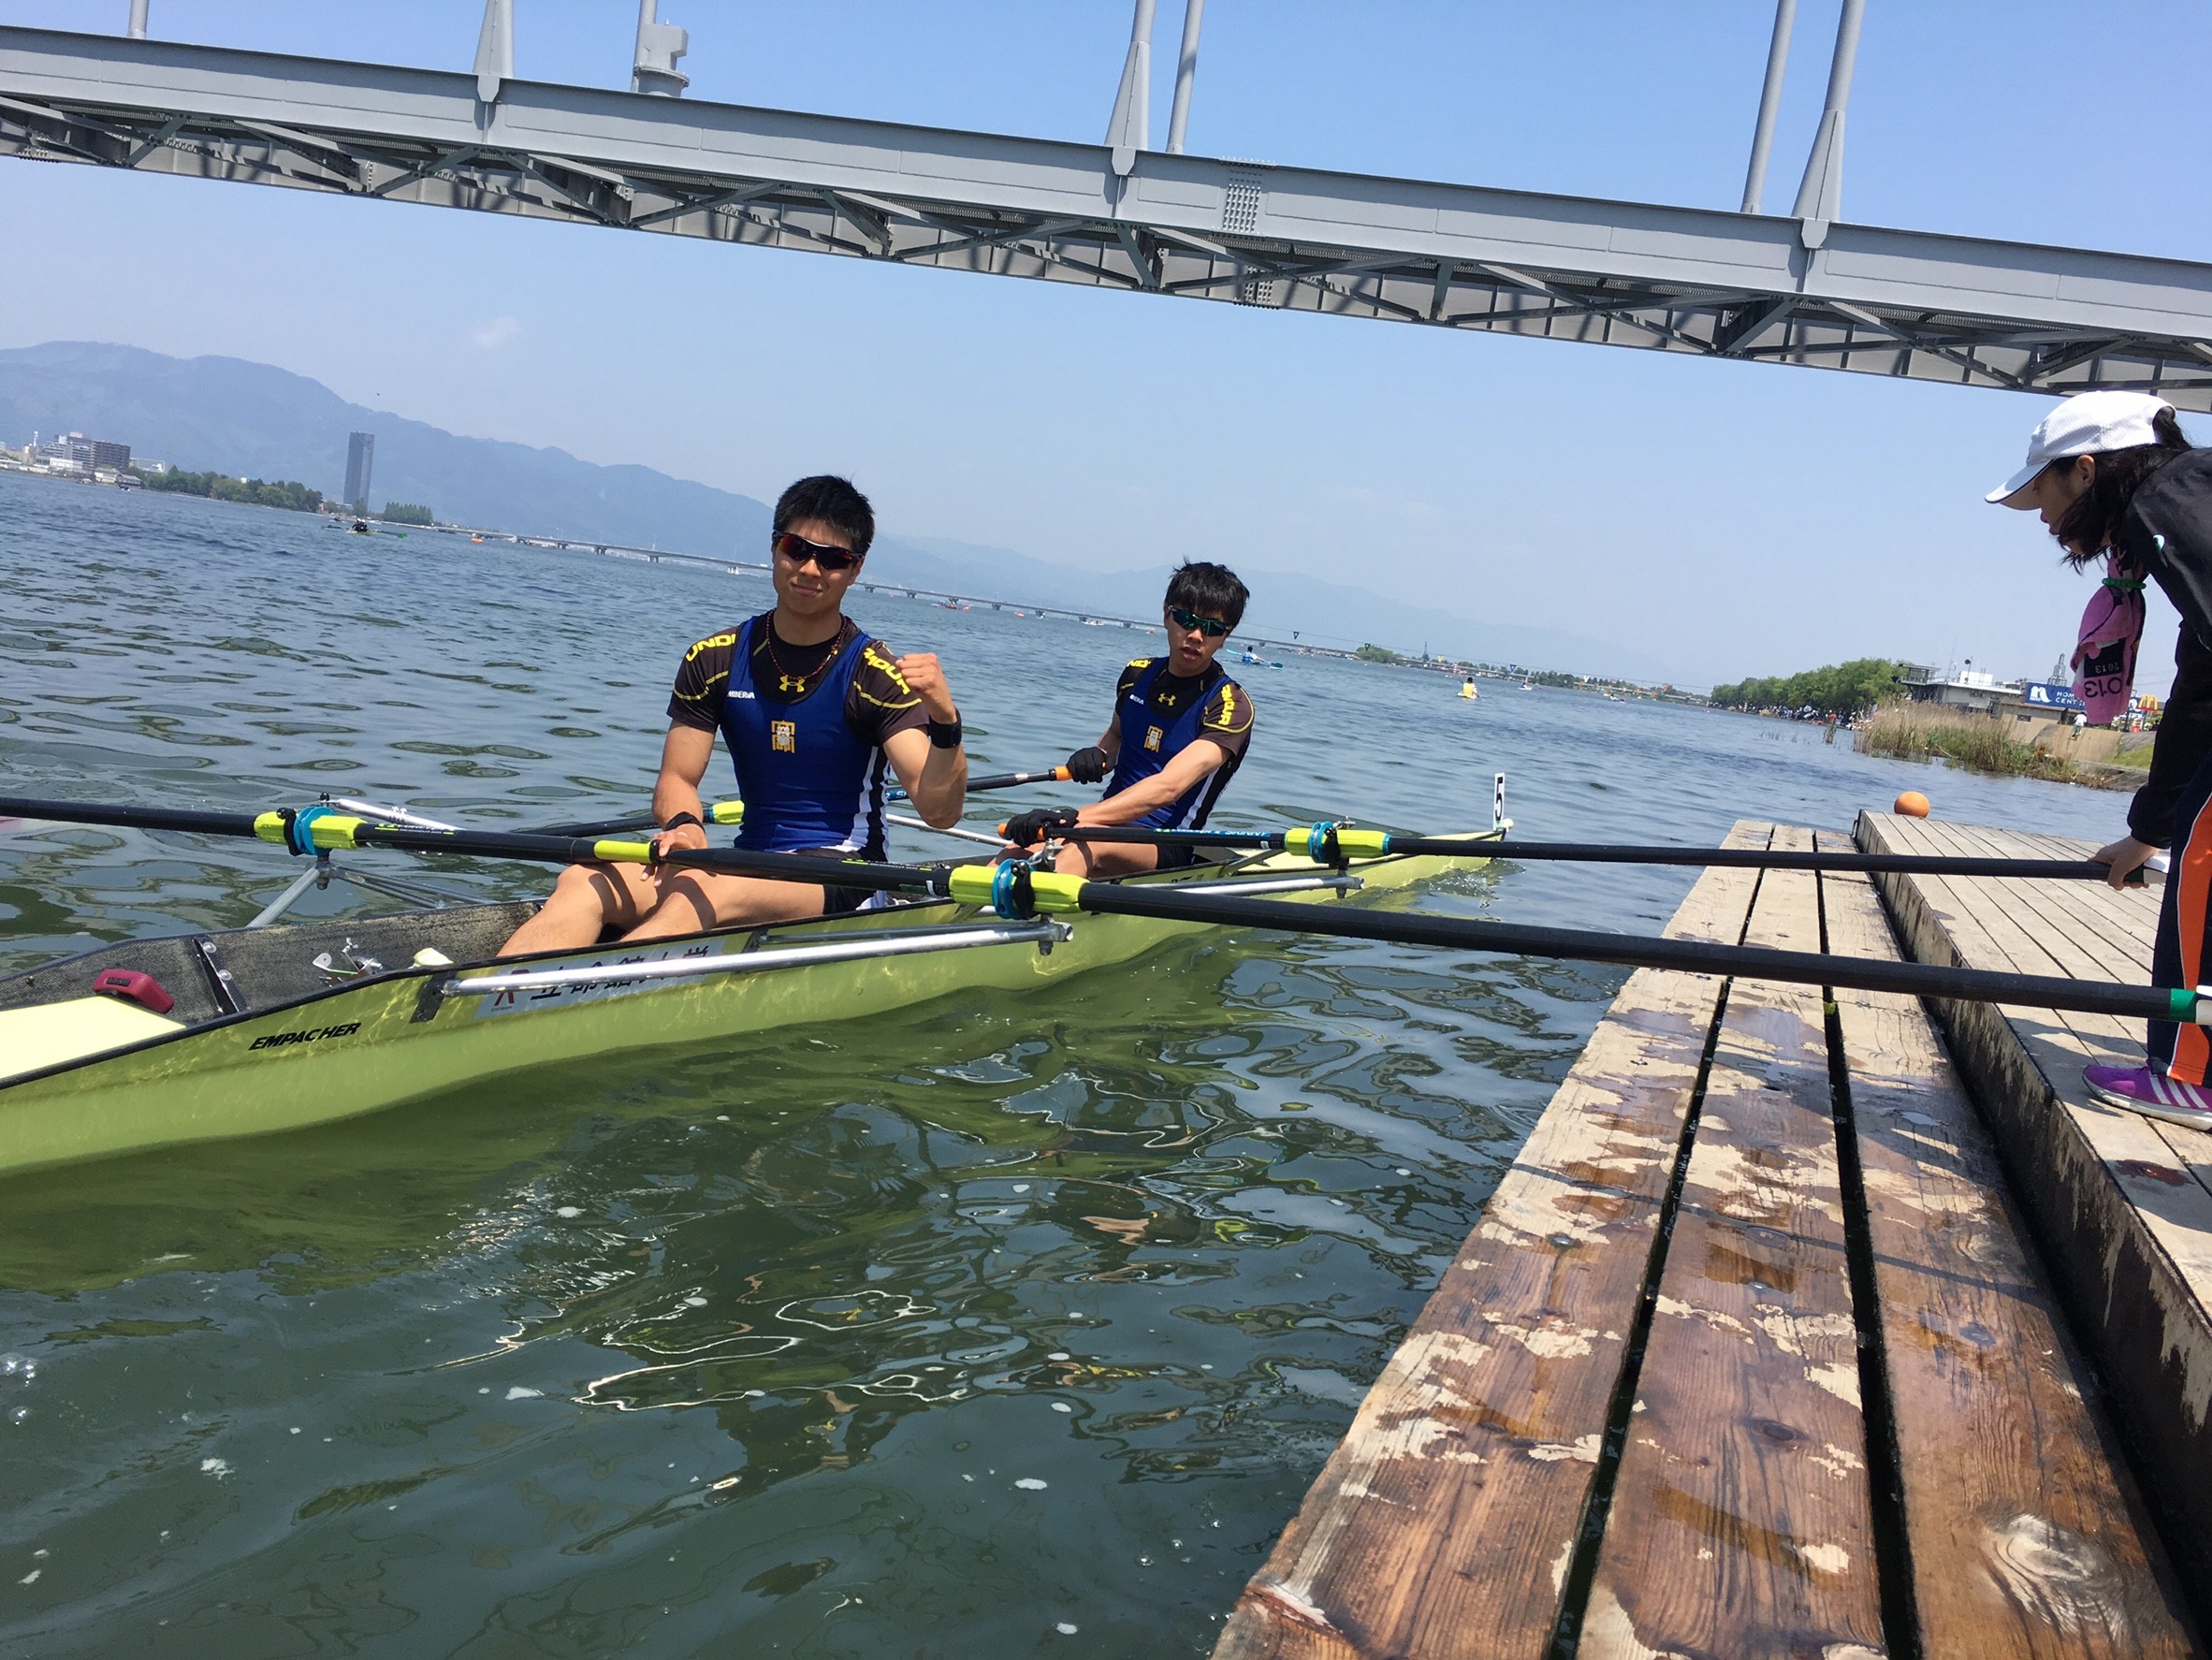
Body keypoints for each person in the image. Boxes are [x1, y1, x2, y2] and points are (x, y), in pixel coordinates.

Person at [499, 476, 967, 955]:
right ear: (773, 546)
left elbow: (939, 811)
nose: (809, 568)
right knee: (585, 879)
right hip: (744, 861)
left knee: (703, 891)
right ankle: (485, 997)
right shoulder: (714, 658)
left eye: (832, 558)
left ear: (855, 569)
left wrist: (945, 720)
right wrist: (684, 824)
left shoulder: (877, 674)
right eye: (795, 548)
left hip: (842, 873)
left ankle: (566, 1003)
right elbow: (677, 776)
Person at [1987, 391, 2211, 1123]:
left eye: (2044, 495)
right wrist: (2149, 829)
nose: (2045, 519)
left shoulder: (2162, 504)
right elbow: (2199, 677)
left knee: (2202, 871)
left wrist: (2164, 828)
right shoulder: (2189, 492)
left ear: (2086, 472)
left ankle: (2191, 1073)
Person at [999, 561, 1255, 877]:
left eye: (1212, 628)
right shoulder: (1137, 674)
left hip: (1165, 842)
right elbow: (1116, 737)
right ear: (1166, 615)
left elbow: (1168, 787)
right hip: (1106, 821)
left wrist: (1073, 818)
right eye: (1186, 619)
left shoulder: (1229, 705)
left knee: (1080, 844)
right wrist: (1097, 756)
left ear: (1225, 635)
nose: (1196, 635)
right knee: (1017, 849)